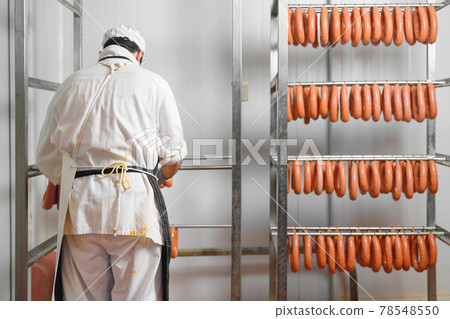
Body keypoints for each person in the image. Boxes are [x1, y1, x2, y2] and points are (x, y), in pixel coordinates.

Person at [36, 25, 187, 301]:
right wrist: (159, 176)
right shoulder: (154, 82)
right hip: (137, 211)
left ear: (101, 52)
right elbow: (174, 154)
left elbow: (46, 157)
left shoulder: (72, 83)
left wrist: (65, 177)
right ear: (139, 55)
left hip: (82, 212)